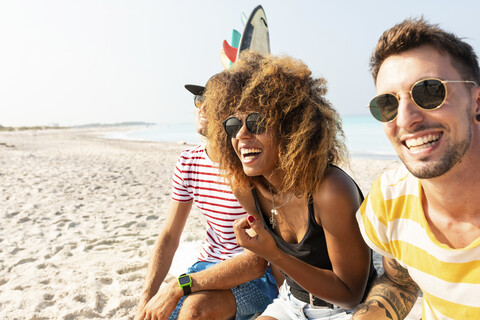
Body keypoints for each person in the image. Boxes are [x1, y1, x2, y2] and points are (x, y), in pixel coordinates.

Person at [205, 51, 377, 320]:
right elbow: (277, 269)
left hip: (346, 310)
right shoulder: (246, 189)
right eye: (233, 124)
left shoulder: (330, 190)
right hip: (290, 303)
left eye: (256, 121)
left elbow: (350, 293)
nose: (241, 134)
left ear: (291, 127)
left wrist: (273, 254)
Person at [353, 18, 480, 320]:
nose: (406, 118)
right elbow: (400, 280)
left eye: (429, 92)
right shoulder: (390, 197)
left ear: (477, 103)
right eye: (388, 103)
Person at [135, 74, 278, 320]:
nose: (203, 107)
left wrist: (177, 287)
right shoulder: (188, 161)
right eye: (200, 99)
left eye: (214, 101)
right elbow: (170, 235)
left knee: (194, 311)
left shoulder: (250, 167)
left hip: (258, 277)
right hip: (206, 268)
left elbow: (257, 261)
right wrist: (146, 298)